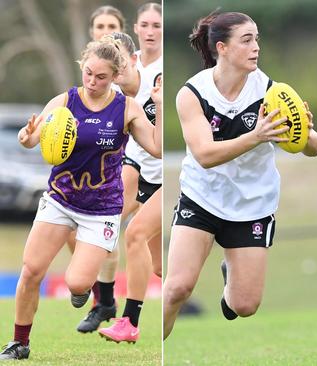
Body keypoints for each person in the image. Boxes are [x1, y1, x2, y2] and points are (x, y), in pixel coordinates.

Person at [162, 9, 317, 340]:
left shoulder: (271, 92)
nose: (256, 48)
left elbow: (314, 147)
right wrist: (257, 136)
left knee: (245, 305)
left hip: (252, 204)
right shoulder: (193, 94)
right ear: (222, 48)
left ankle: (229, 276)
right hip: (202, 196)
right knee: (177, 288)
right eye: (246, 40)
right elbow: (205, 156)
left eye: (257, 39)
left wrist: (303, 132)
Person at [0, 36, 161, 360]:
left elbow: (156, 148)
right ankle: (20, 342)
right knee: (31, 270)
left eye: (101, 77)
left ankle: (85, 291)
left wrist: (158, 106)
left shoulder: (125, 108)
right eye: (88, 73)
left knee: (76, 284)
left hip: (101, 209)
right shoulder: (64, 102)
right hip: (60, 199)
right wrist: (26, 135)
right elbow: (32, 140)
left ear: (115, 76)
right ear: (82, 67)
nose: (92, 81)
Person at [76, 3, 163, 335]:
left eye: (121, 62)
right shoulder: (110, 98)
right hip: (144, 172)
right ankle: (99, 293)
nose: (116, 70)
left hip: (174, 178)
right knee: (158, 266)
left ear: (133, 60)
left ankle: (127, 321)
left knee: (134, 233)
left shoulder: (159, 82)